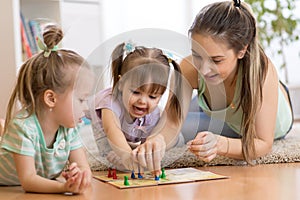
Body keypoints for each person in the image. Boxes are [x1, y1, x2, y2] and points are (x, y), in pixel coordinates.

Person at [180, 0, 293, 164]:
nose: (203, 70)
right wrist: (158, 139)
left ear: (242, 50)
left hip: (271, 111)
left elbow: (263, 143)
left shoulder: (261, 73)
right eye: (197, 55)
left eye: (216, 60)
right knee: (158, 125)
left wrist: (220, 144)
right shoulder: (190, 67)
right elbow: (169, 121)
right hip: (222, 99)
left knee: (184, 131)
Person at [0, 24, 93, 194]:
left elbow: (84, 167)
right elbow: (28, 180)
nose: (86, 108)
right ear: (51, 99)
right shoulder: (24, 127)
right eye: (81, 99)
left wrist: (80, 176)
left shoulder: (69, 128)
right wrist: (62, 187)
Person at [90, 42, 184, 176]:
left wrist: (144, 155)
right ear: (121, 84)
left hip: (132, 133)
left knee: (177, 139)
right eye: (136, 92)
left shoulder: (154, 113)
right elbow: (112, 130)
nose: (143, 101)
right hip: (106, 132)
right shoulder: (110, 103)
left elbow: (148, 145)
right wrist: (126, 156)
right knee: (111, 153)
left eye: (152, 96)